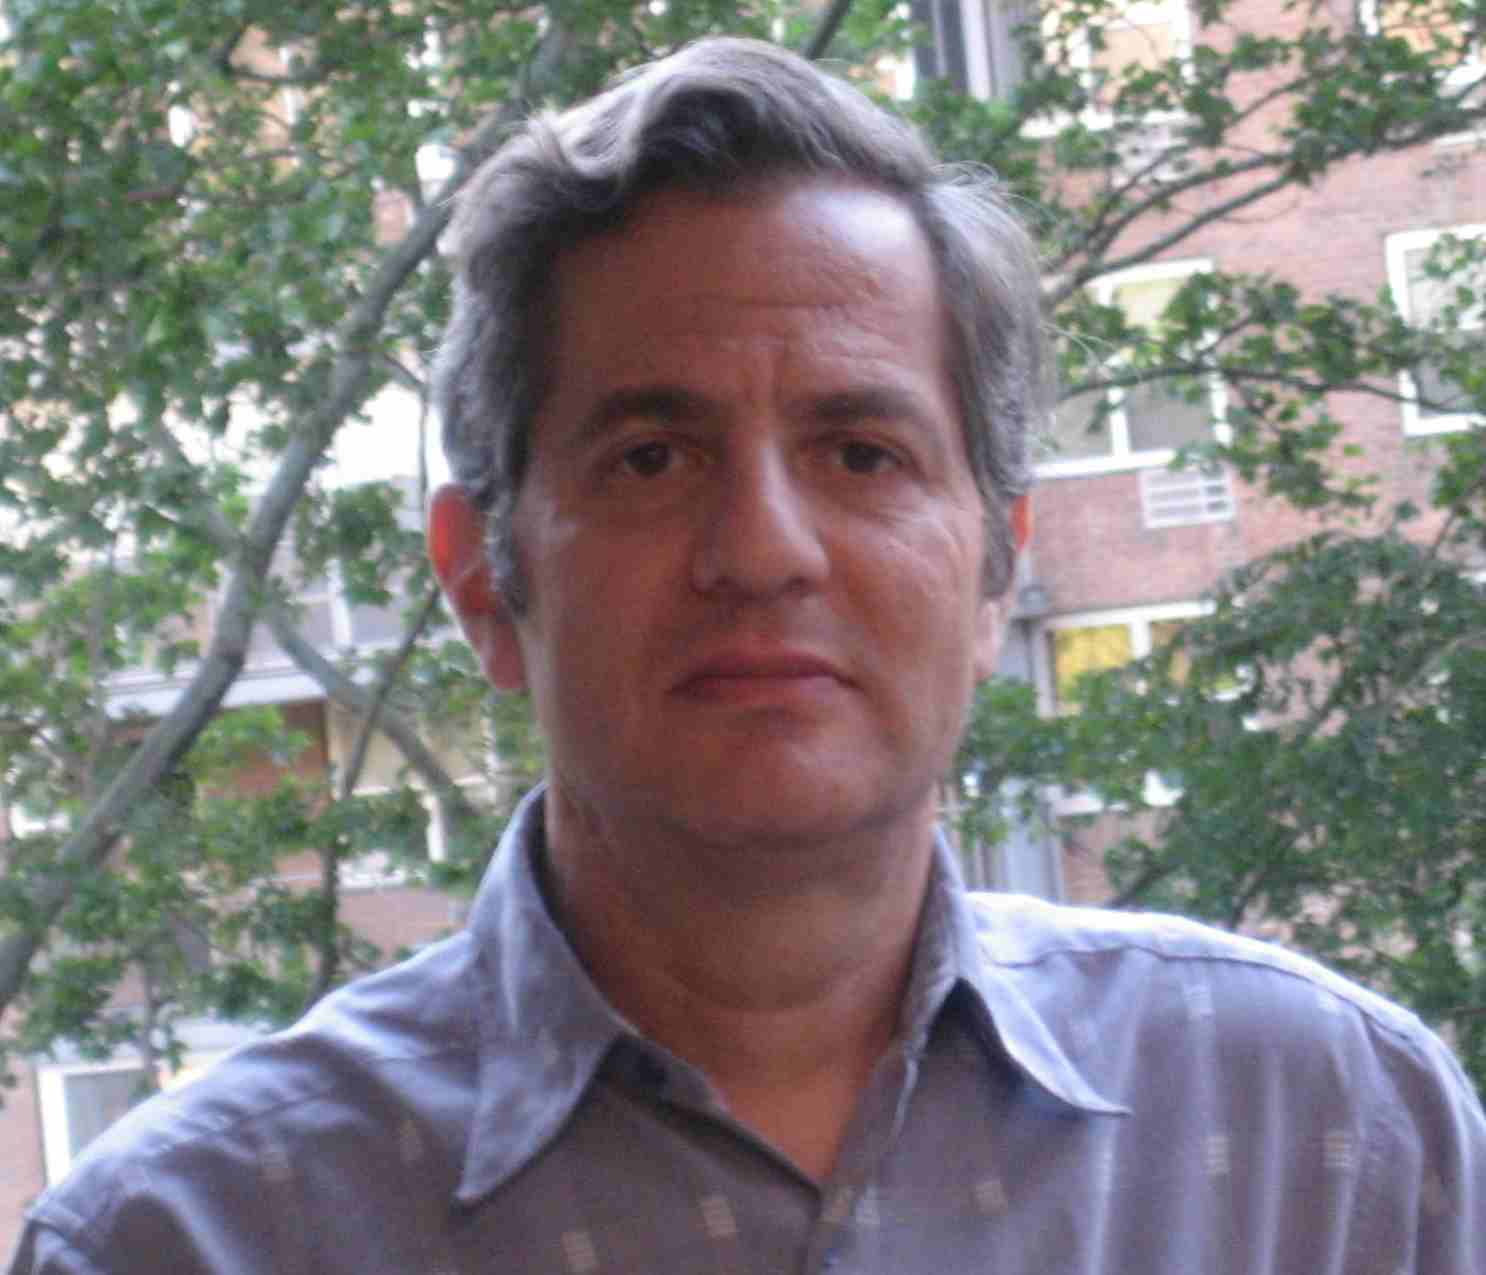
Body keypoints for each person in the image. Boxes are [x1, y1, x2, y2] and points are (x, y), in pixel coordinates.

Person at [8, 35, 1483, 1275]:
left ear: (994, 568)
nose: (764, 549)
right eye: (651, 458)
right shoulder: (190, 1240)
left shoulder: (1336, 1139)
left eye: (861, 452)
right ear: (482, 583)